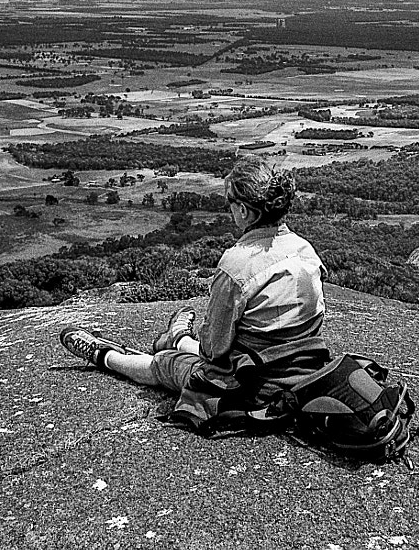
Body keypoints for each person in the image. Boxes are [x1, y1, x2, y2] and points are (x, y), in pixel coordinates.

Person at [59, 155, 331, 431]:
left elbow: (213, 349)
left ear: (245, 212)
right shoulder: (305, 250)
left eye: (231, 204)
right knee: (209, 349)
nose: (230, 210)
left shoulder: (237, 265)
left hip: (253, 385)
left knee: (164, 364)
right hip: (303, 374)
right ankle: (178, 336)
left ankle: (103, 355)